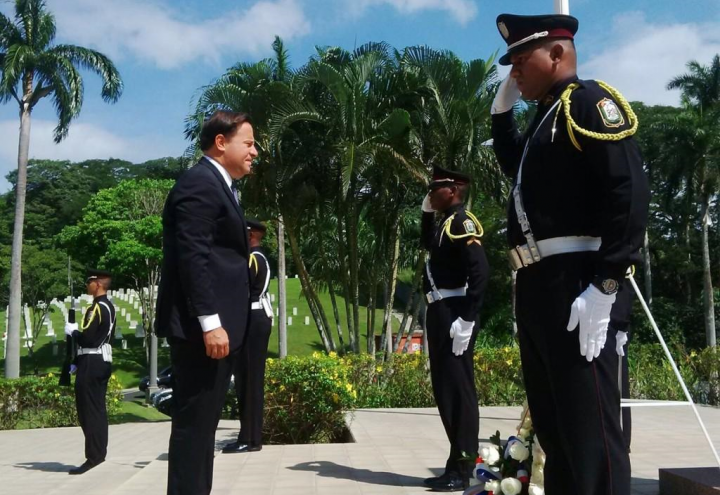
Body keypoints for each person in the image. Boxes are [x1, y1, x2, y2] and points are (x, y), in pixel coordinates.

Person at [490, 13, 650, 495]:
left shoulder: (587, 103)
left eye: (522, 60)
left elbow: (628, 191)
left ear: (557, 54)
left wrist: (605, 284)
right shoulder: (546, 117)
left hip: (579, 280)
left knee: (591, 434)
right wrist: (502, 115)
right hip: (542, 285)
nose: (515, 72)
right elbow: (516, 169)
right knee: (555, 433)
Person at [156, 110, 258, 495]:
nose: (254, 152)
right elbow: (193, 259)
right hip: (203, 332)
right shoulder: (199, 184)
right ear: (221, 142)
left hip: (217, 329)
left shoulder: (220, 186)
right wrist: (210, 323)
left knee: (203, 430)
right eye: (248, 143)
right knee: (194, 429)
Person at [420, 166, 490, 492]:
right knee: (445, 390)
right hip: (440, 310)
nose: (430, 193)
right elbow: (427, 247)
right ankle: (454, 463)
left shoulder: (463, 222)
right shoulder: (444, 224)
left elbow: (480, 272)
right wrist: (425, 214)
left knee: (459, 391)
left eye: (436, 189)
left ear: (454, 189)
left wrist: (468, 317)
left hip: (454, 313)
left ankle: (464, 467)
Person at [222, 218, 273, 454]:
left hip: (252, 319)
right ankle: (250, 437)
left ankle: (250, 439)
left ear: (250, 235)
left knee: (249, 381)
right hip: (256, 317)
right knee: (248, 381)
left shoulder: (252, 258)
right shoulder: (258, 256)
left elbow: (238, 290)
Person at [64, 268, 116, 475]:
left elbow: (88, 338)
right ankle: (98, 454)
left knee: (88, 411)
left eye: (90, 282)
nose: (88, 285)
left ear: (99, 284)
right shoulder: (109, 306)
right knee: (97, 409)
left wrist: (74, 331)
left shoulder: (96, 308)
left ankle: (93, 457)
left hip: (92, 360)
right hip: (100, 360)